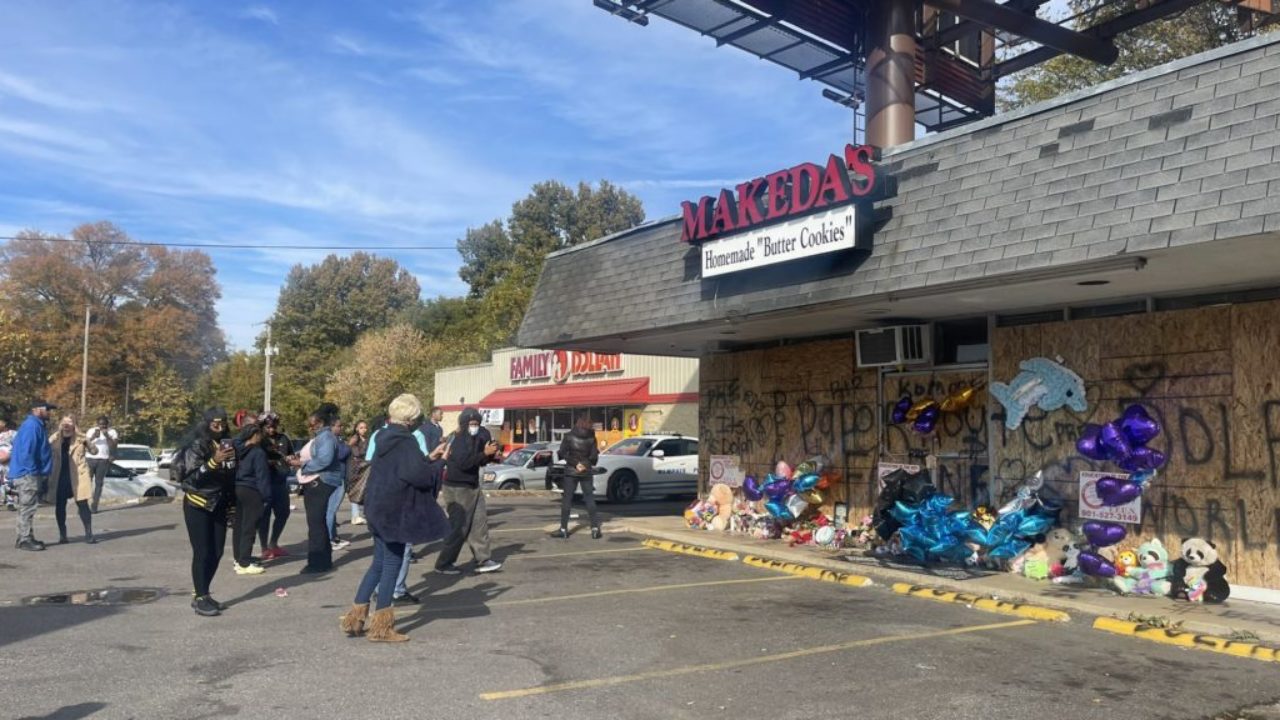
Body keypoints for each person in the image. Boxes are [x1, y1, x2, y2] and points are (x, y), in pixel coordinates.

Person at [340, 394, 449, 642]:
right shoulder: (406, 441)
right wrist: (440, 462)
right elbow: (420, 478)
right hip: (395, 510)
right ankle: (382, 627)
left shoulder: (383, 436)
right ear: (411, 418)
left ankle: (355, 618)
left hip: (376, 507)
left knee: (378, 563)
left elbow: (404, 468)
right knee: (392, 564)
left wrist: (427, 459)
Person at [178, 408, 236, 617]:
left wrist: (232, 505)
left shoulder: (226, 444)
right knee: (202, 552)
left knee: (218, 551)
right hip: (198, 503)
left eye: (223, 424)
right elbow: (191, 479)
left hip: (219, 503)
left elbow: (229, 478)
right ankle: (200, 596)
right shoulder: (197, 445)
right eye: (215, 425)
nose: (220, 429)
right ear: (206, 424)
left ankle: (203, 591)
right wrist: (213, 462)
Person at [434, 407, 502, 575]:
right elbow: (464, 463)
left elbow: (482, 460)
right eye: (471, 424)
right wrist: (483, 454)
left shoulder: (481, 435)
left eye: (477, 423)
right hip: (456, 486)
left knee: (479, 523)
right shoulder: (456, 439)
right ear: (464, 424)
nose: (474, 426)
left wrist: (492, 454)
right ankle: (444, 563)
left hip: (473, 484)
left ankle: (483, 559)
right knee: (459, 527)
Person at [289, 404, 344, 574]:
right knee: (318, 523)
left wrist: (302, 465)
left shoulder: (326, 437)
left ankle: (317, 562)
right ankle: (323, 560)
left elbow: (324, 460)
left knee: (315, 524)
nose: (309, 426)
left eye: (312, 423)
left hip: (319, 482)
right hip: (316, 480)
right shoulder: (321, 437)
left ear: (320, 422)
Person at [10, 400, 56, 551]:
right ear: (36, 410)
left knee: (26, 507)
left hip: (28, 472)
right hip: (27, 474)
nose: (49, 412)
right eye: (46, 409)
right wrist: (32, 471)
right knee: (27, 507)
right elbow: (27, 452)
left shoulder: (35, 425)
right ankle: (24, 539)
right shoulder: (32, 426)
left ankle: (24, 537)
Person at [554, 414, 602, 540]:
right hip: (586, 471)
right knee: (590, 499)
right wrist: (584, 465)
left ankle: (563, 529)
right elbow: (593, 458)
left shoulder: (568, 436)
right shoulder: (592, 438)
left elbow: (562, 453)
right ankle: (595, 529)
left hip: (571, 471)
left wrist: (576, 464)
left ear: (578, 423)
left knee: (567, 500)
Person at [232, 422, 271, 575]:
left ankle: (239, 558)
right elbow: (262, 477)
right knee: (250, 527)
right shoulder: (258, 452)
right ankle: (244, 562)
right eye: (260, 434)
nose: (262, 437)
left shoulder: (238, 450)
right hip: (252, 490)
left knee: (240, 526)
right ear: (254, 435)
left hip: (238, 487)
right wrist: (266, 496)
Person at [49, 415, 95, 544]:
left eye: (70, 422)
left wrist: (88, 442)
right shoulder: (55, 438)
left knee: (83, 504)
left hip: (78, 475)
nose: (66, 424)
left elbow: (95, 451)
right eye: (64, 422)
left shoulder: (82, 438)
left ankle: (89, 534)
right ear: (60, 424)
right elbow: (46, 450)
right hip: (60, 476)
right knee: (60, 506)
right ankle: (63, 535)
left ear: (74, 424)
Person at [257, 412, 292, 561]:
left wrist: (291, 458)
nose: (271, 430)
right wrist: (268, 463)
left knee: (283, 513)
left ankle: (274, 543)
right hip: (264, 483)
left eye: (274, 426)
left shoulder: (283, 438)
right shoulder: (259, 440)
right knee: (264, 516)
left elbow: (290, 454)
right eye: (268, 427)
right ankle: (264, 547)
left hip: (280, 482)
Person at [84, 415, 118, 513]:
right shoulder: (91, 431)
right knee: (86, 483)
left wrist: (107, 435)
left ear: (107, 424)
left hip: (103, 460)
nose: (102, 426)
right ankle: (83, 506)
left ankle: (94, 506)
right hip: (90, 459)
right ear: (97, 424)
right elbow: (84, 443)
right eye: (100, 425)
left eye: (104, 424)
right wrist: (94, 436)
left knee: (99, 484)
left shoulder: (112, 432)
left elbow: (114, 445)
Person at [327, 419, 352, 550]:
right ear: (331, 426)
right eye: (338, 426)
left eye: (342, 425)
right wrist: (349, 445)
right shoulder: (332, 440)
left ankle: (334, 537)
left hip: (339, 476)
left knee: (332, 510)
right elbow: (341, 454)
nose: (341, 428)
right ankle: (329, 539)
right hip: (336, 477)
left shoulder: (338, 439)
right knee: (331, 509)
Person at [347, 421, 370, 525]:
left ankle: (361, 514)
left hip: (365, 467)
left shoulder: (367, 439)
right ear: (356, 428)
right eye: (361, 427)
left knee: (364, 490)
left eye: (365, 427)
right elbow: (356, 453)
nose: (364, 429)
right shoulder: (355, 439)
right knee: (355, 490)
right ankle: (355, 515)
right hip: (356, 468)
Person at [0, 418, 16, 511]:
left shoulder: (12, 434)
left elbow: (18, 445)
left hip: (8, 461)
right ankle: (2, 500)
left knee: (9, 481)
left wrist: (10, 455)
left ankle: (10, 502)